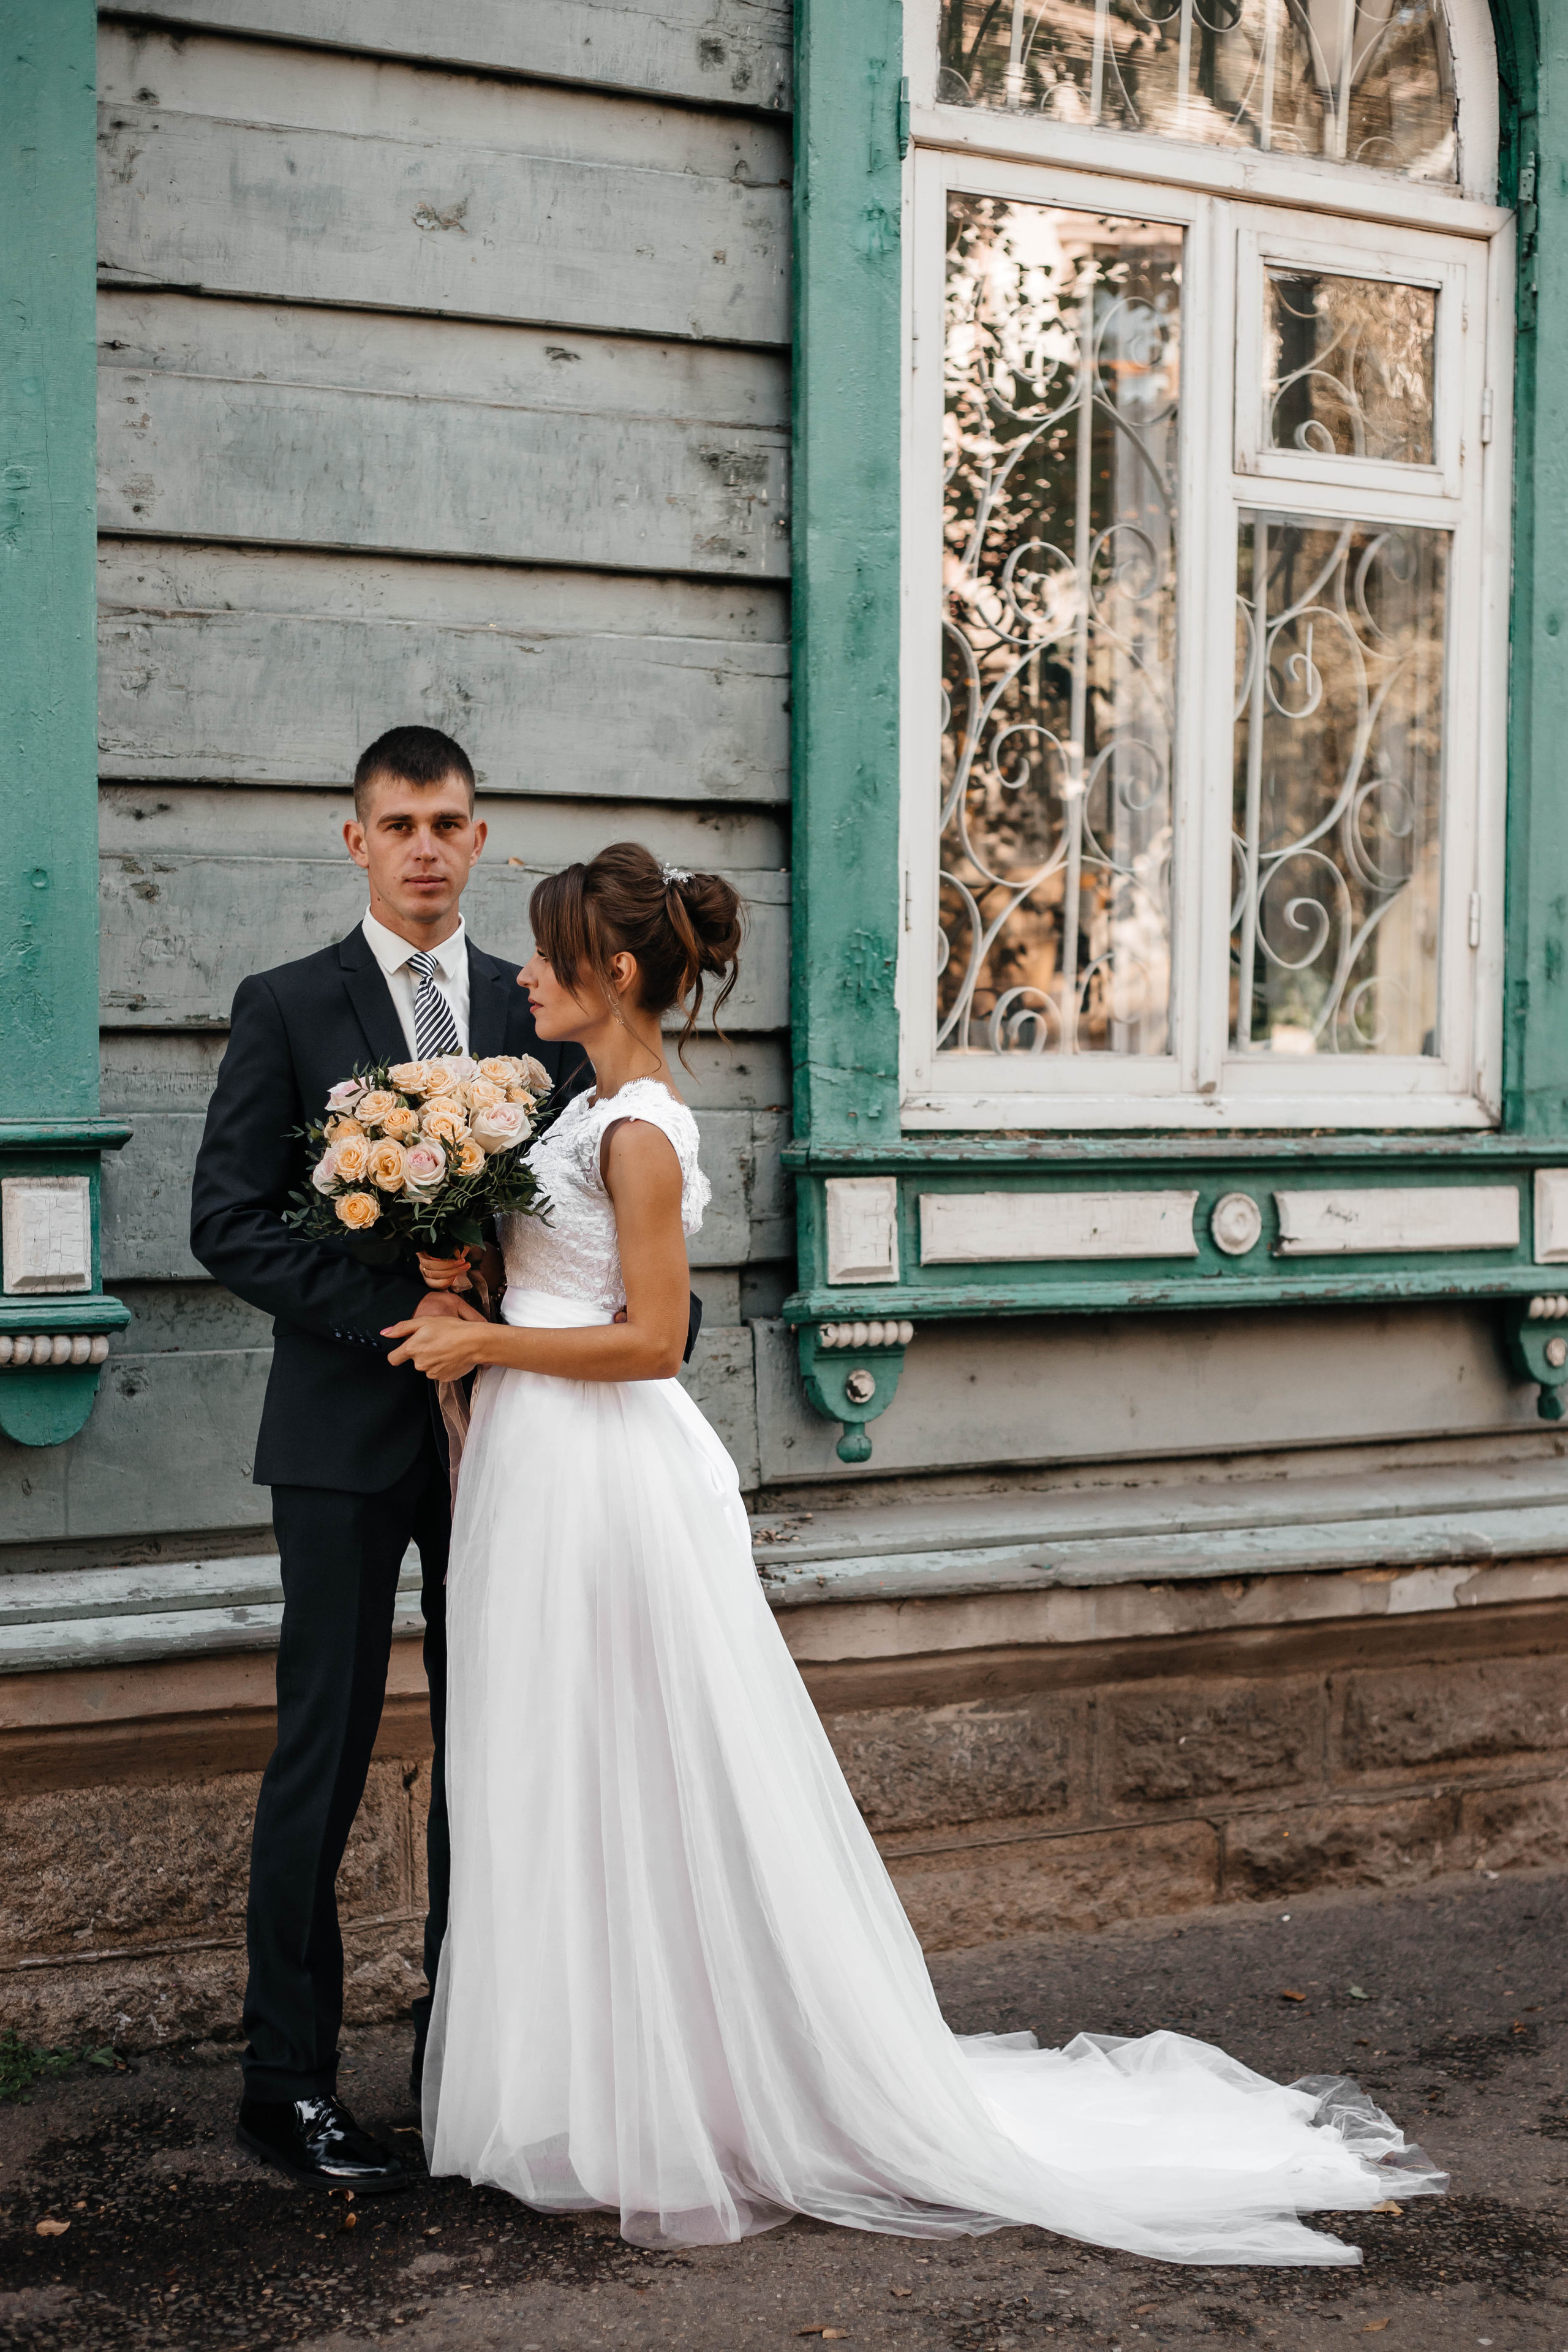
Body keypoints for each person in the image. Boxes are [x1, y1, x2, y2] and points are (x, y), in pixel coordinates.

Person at [384, 841, 1446, 2265]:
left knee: (642, 1762)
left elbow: (648, 1340)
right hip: (534, 1460)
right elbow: (559, 1277)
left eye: (545, 955)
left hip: (603, 1470)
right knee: (558, 1762)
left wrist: (479, 1339)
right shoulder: (578, 1112)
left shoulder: (639, 1129)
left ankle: (696, 2098)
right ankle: (596, 2089)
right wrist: (459, 1270)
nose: (521, 975)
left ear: (615, 974)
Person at [188, 726, 591, 2193]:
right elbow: (227, 1220)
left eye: (451, 822)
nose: (427, 846)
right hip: (346, 1437)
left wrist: (506, 1334)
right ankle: (282, 2083)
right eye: (399, 823)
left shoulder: (530, 1005)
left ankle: (464, 2056)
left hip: (512, 1439)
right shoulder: (288, 1005)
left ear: (482, 842)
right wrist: (399, 1314)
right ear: (353, 840)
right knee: (326, 1750)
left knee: (494, 1748)